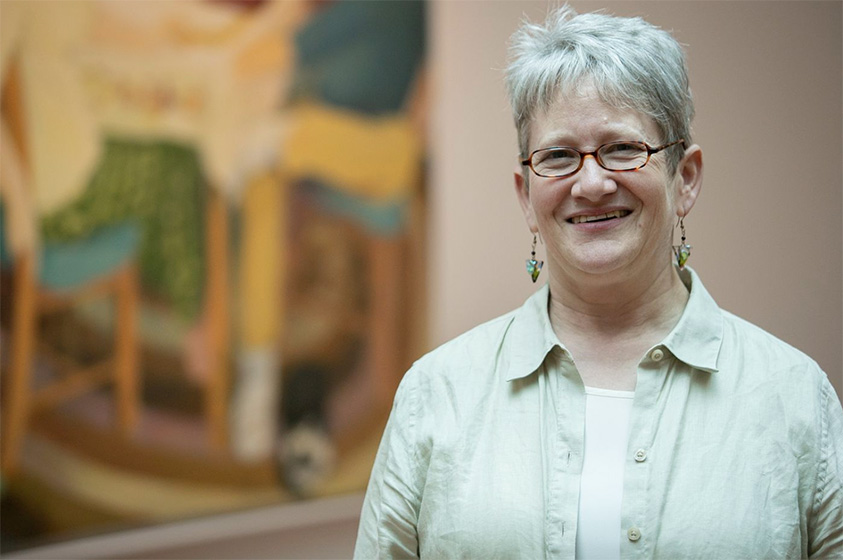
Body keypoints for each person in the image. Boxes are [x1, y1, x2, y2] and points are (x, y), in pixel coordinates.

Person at [354, 5, 843, 559]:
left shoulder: (794, 398)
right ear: (526, 195)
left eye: (623, 149)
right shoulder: (437, 394)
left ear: (685, 178)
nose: (590, 183)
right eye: (559, 156)